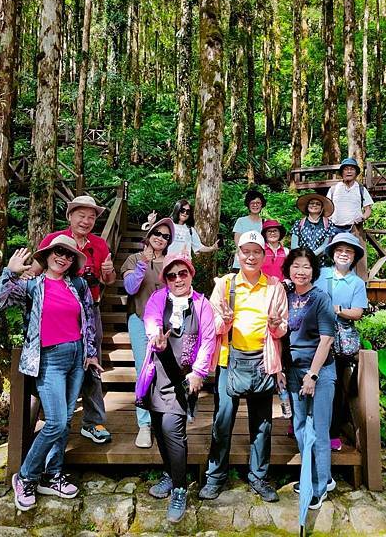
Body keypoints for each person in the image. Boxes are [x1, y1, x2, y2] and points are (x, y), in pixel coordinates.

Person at [0, 236, 101, 512]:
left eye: (69, 255)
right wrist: (9, 272)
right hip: (49, 359)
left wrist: (90, 352)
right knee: (56, 422)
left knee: (65, 422)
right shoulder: (31, 286)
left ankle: (53, 474)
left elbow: (87, 317)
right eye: (58, 252)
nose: (63, 258)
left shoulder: (78, 284)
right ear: (48, 254)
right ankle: (25, 476)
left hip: (75, 358)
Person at [199, 231, 288, 503]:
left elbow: (283, 326)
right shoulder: (225, 285)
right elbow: (212, 325)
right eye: (245, 251)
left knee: (262, 423)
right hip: (230, 361)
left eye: (256, 251)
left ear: (264, 255)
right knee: (222, 420)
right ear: (238, 254)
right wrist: (224, 321)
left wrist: (275, 326)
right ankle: (215, 477)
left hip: (263, 361)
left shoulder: (274, 286)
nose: (250, 256)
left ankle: (258, 477)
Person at [135, 253, 216, 523]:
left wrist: (199, 372)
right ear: (165, 279)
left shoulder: (202, 304)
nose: (178, 279)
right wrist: (155, 337)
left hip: (184, 379)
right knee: (159, 428)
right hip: (158, 375)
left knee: (173, 430)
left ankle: (180, 488)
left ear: (191, 274)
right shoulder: (159, 298)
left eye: (183, 273)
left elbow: (208, 339)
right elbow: (151, 320)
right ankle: (170, 474)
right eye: (172, 275)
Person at [31, 195, 116, 444]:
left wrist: (108, 274)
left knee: (92, 368)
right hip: (55, 317)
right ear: (70, 216)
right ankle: (54, 422)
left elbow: (108, 281)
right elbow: (35, 274)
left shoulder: (100, 245)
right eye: (81, 215)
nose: (86, 220)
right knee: (51, 368)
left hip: (90, 314)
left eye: (91, 217)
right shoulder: (54, 241)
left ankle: (92, 422)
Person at [282, 247, 336, 510]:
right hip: (294, 370)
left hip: (320, 370)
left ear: (313, 270)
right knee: (301, 426)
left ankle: (320, 485)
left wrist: (312, 375)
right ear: (288, 269)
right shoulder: (287, 296)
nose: (300, 271)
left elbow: (326, 339)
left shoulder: (321, 298)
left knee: (320, 429)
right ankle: (310, 476)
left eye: (305, 266)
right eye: (295, 266)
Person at [120, 217, 175, 448]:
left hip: (167, 324)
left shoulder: (172, 262)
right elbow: (130, 287)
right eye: (157, 233)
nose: (161, 238)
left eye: (166, 236)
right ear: (149, 233)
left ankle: (166, 418)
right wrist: (143, 263)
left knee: (167, 371)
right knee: (144, 369)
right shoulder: (133, 259)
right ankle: (144, 424)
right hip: (139, 320)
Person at [315, 233, 368, 451]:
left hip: (340, 342)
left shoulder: (356, 282)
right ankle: (302, 427)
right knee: (311, 380)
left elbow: (357, 312)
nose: (344, 254)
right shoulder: (322, 274)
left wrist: (338, 310)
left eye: (348, 251)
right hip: (317, 337)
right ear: (333, 253)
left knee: (335, 388)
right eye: (339, 250)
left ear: (354, 256)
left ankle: (332, 432)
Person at [326, 158, 374, 280]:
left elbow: (368, 210)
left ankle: (358, 283)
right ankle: (334, 281)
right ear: (341, 172)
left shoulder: (361, 189)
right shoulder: (334, 189)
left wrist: (363, 217)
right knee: (333, 256)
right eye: (346, 169)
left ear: (356, 173)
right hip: (334, 229)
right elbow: (326, 210)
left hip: (354, 229)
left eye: (351, 169)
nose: (348, 171)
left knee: (356, 257)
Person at [142, 199, 218, 256]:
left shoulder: (190, 230)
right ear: (177, 209)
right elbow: (154, 235)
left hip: (184, 266)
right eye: (182, 210)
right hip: (167, 263)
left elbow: (199, 247)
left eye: (188, 211)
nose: (185, 213)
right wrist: (151, 223)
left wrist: (212, 248)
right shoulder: (168, 225)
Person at [290, 193, 335, 265]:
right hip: (302, 262)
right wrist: (304, 256)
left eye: (318, 204)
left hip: (320, 263)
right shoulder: (299, 223)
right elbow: (294, 245)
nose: (314, 205)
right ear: (307, 206)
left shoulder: (328, 224)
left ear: (322, 208)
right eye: (311, 203)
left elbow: (326, 245)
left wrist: (312, 255)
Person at [232, 189, 266, 271]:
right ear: (248, 205)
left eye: (258, 203)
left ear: (262, 205)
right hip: (241, 263)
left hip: (258, 263)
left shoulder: (265, 223)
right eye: (252, 203)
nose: (255, 205)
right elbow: (238, 243)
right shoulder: (241, 221)